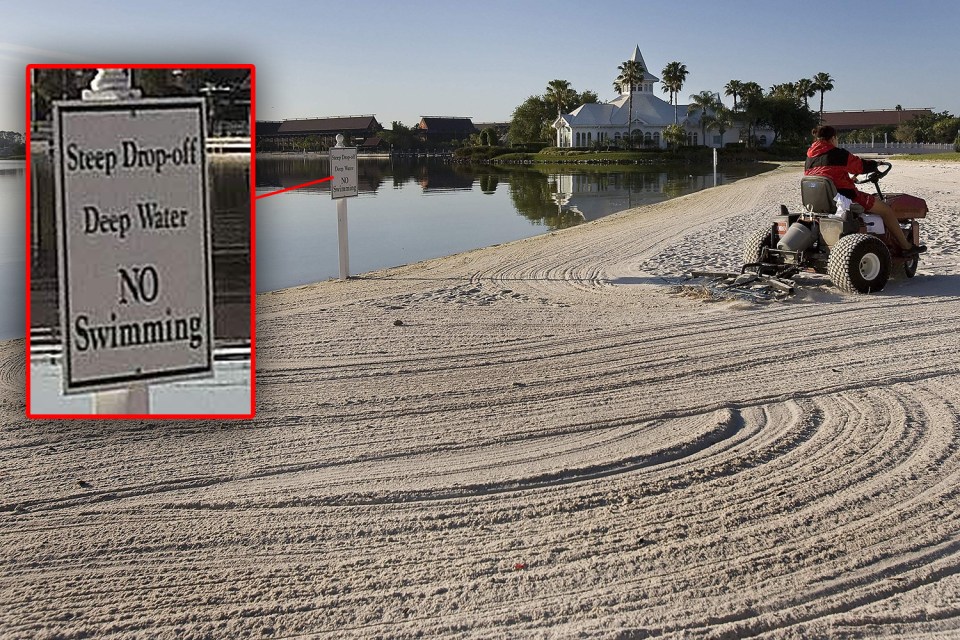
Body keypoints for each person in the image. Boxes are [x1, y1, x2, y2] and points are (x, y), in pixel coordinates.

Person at [804, 125, 926, 255]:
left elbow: (828, 176)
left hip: (819, 200)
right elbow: (860, 166)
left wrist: (850, 180)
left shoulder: (810, 157)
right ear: (833, 138)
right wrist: (875, 165)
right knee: (886, 210)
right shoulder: (838, 154)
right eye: (836, 138)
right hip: (845, 197)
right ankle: (906, 246)